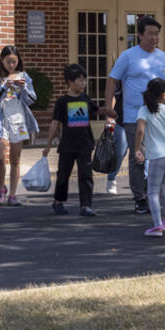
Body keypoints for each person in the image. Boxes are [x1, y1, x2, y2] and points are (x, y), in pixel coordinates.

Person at [103, 15, 165, 216]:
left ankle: (152, 192)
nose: (154, 38)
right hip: (135, 116)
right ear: (140, 35)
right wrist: (109, 108)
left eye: (157, 34)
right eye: (150, 34)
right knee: (139, 156)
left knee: (158, 155)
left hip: (160, 116)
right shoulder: (128, 56)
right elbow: (112, 81)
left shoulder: (163, 57)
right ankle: (140, 197)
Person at [41, 63, 99, 217]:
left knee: (86, 176)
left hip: (85, 144)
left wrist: (111, 112)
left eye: (85, 80)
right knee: (63, 175)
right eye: (80, 80)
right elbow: (55, 123)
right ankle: (58, 201)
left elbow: (98, 110)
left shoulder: (86, 99)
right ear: (70, 82)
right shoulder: (62, 102)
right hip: (67, 145)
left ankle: (86, 205)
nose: (83, 83)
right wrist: (47, 146)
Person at [0, 45, 37, 206]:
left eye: (14, 62)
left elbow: (32, 100)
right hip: (1, 120)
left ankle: (13, 194)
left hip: (18, 120)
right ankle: (2, 187)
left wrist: (23, 88)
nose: (11, 65)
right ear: (2, 60)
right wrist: (5, 86)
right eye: (8, 62)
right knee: (0, 157)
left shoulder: (24, 76)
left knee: (15, 158)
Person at [135, 76, 165, 236]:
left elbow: (140, 130)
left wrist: (137, 149)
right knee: (161, 187)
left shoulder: (143, 110)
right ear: (164, 95)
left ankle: (158, 225)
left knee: (152, 191)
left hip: (156, 156)